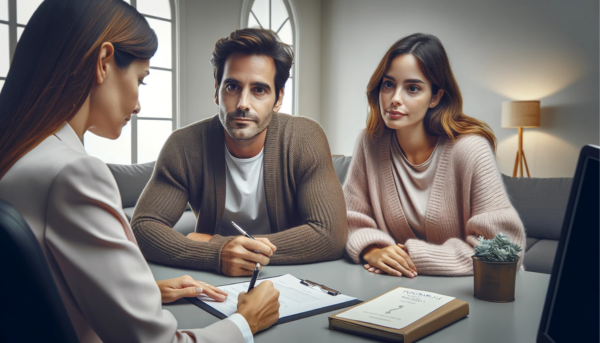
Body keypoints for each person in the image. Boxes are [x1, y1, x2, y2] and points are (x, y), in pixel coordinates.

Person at [0, 1, 279, 342]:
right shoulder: (75, 175)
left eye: (260, 89)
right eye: (140, 80)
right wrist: (245, 321)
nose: (138, 103)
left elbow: (42, 290)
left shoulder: (20, 155)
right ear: (104, 63)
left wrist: (141, 295)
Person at [131, 28, 347, 276]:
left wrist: (218, 246)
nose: (243, 103)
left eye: (259, 90)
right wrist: (218, 257)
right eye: (232, 86)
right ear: (216, 91)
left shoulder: (305, 138)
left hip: (290, 277)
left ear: (278, 99)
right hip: (213, 278)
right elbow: (143, 228)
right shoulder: (184, 145)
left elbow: (331, 235)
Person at [343, 33, 526, 277]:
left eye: (412, 88)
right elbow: (349, 220)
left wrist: (411, 257)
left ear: (436, 97)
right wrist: (372, 249)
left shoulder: (470, 149)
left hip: (483, 290)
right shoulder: (370, 142)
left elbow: (503, 246)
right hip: (402, 290)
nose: (395, 99)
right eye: (389, 84)